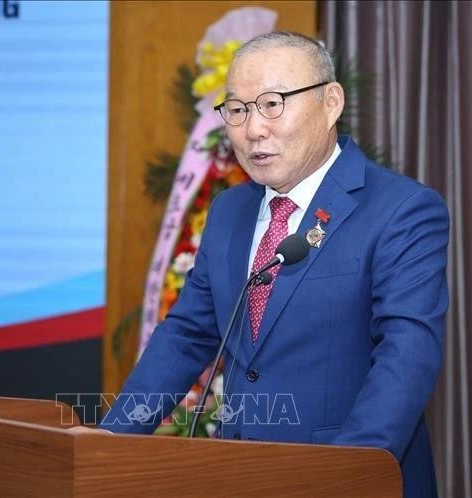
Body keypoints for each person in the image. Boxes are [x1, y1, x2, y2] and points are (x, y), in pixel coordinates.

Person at [94, 31, 449, 498]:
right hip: (240, 476)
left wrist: (344, 478)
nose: (253, 129)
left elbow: (406, 358)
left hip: (347, 479)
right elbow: (186, 336)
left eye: (273, 103)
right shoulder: (228, 212)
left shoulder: (401, 209)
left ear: (331, 102)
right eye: (237, 110)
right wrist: (106, 446)